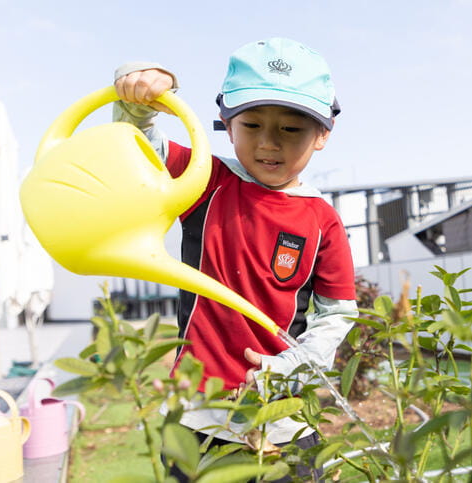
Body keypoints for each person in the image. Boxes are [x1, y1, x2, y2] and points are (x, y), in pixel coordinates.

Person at [113, 37, 358, 481]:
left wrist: (292, 368)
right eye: (252, 125)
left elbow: (337, 314)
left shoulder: (323, 220)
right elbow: (138, 149)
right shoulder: (207, 179)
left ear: (323, 134)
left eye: (291, 128)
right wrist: (140, 93)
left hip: (282, 419)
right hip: (196, 419)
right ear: (227, 124)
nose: (269, 142)